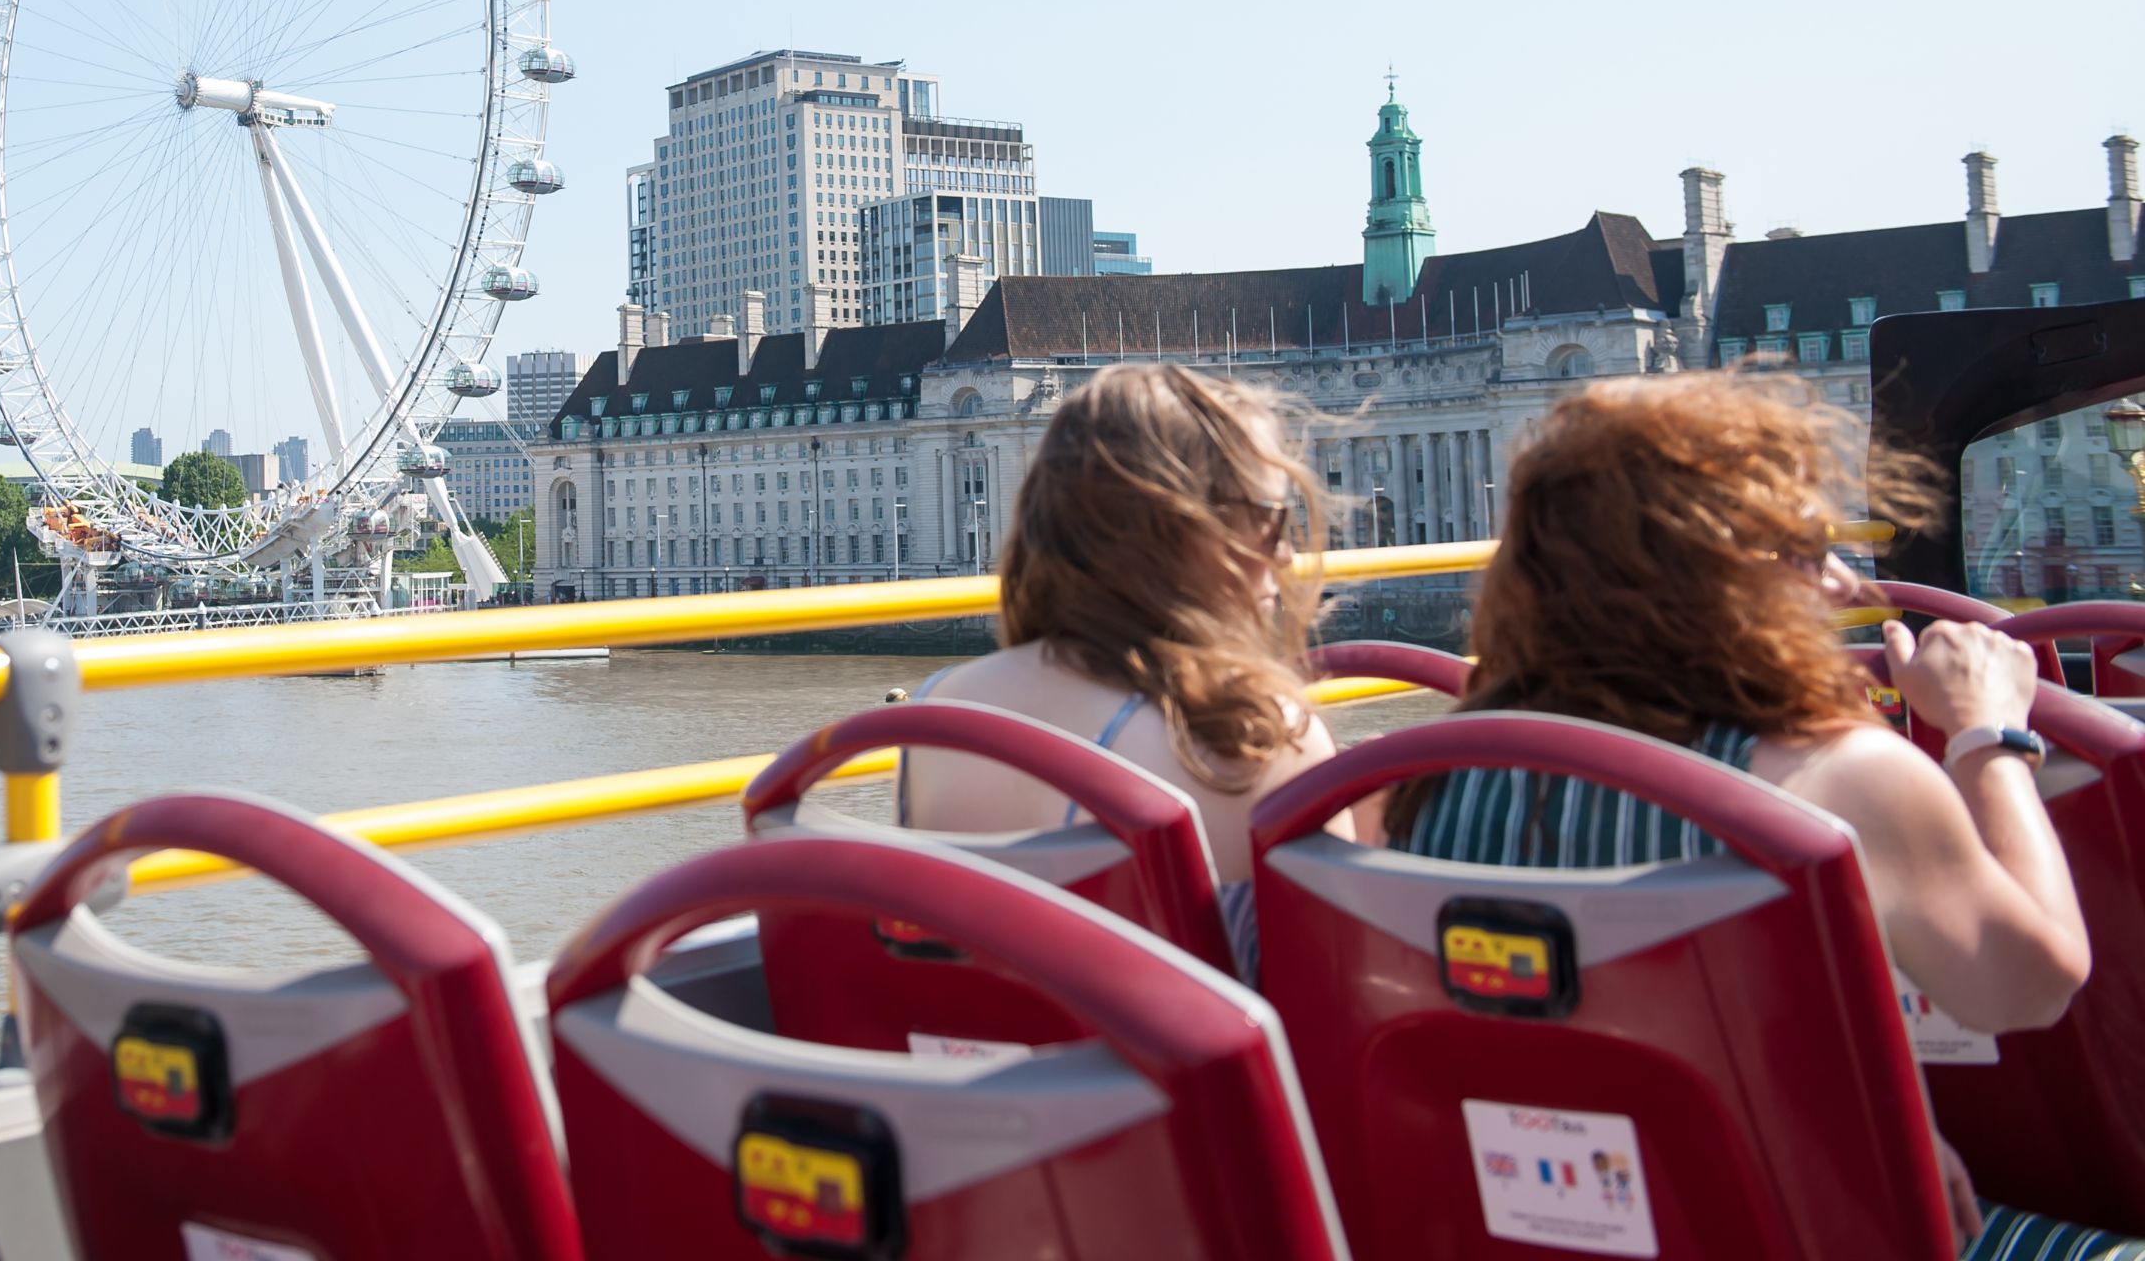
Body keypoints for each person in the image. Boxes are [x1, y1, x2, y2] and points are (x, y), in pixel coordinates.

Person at [1385, 375, 2116, 1257]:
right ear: (1715, 572)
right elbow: (2029, 985)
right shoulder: (1836, 775)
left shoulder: (1435, 778)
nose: (1845, 581)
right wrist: (1987, 734)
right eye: (1808, 548)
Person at [899, 362, 1342, 980]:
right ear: (1185, 526)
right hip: (1179, 1076)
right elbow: (1338, 987)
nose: (1288, 553)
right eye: (1270, 521)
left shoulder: (937, 711)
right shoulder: (1258, 738)